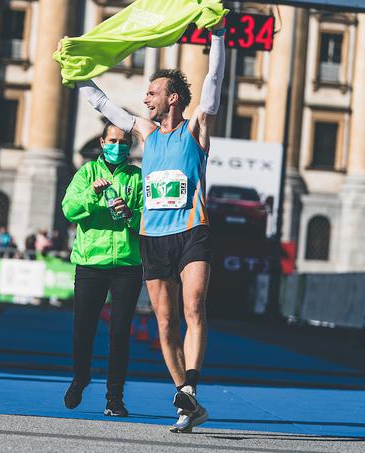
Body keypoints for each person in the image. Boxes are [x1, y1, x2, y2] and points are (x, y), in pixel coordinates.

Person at [75, 19, 226, 432]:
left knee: (194, 307)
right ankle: (185, 400)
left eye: (152, 92)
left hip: (192, 231)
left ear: (172, 98)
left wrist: (218, 36)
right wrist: (76, 74)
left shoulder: (196, 128)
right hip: (153, 237)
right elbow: (104, 106)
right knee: (164, 322)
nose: (145, 99)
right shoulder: (144, 132)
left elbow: (212, 86)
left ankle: (190, 389)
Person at [61, 122, 143, 418]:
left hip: (127, 265)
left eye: (123, 141)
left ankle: (115, 398)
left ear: (130, 145)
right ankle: (80, 377)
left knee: (120, 333)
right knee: (84, 329)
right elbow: (69, 209)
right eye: (112, 140)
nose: (117, 146)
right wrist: (93, 196)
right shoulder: (86, 173)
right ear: (102, 141)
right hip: (90, 264)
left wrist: (131, 215)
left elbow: (149, 219)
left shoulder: (138, 177)